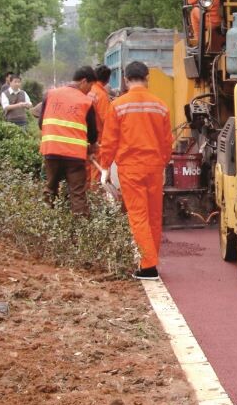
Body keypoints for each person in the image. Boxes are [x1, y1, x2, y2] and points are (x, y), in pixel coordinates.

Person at [99, 61, 173, 281]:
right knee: (153, 216)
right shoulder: (160, 106)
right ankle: (150, 259)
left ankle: (148, 266)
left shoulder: (119, 106)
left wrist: (105, 166)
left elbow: (109, 140)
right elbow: (167, 142)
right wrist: (162, 162)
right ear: (147, 78)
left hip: (131, 168)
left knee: (138, 215)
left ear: (125, 79)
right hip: (154, 167)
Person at [39, 66, 98, 217]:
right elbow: (92, 134)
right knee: (77, 193)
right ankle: (80, 232)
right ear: (84, 81)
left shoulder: (50, 94)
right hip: (74, 156)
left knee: (50, 188)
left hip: (51, 151)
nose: (90, 91)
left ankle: (45, 224)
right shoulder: (86, 102)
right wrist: (92, 148)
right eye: (90, 86)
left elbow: (41, 123)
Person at [87, 64, 114, 188]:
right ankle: (96, 199)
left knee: (87, 170)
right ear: (108, 79)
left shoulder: (89, 91)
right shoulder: (101, 95)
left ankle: (87, 196)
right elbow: (107, 120)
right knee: (97, 172)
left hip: (86, 137)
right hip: (98, 139)